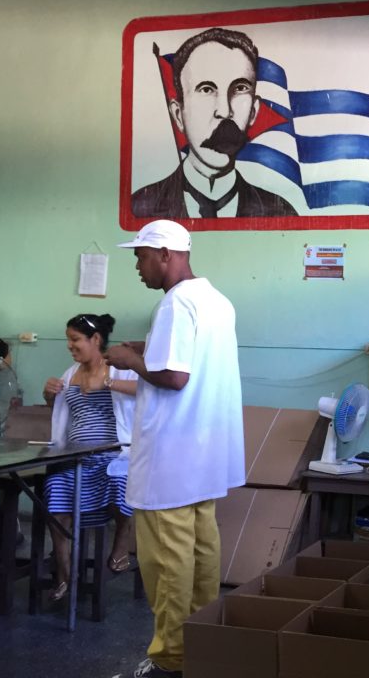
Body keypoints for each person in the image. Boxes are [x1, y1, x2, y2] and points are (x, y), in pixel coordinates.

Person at [106, 219, 244, 678]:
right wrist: (149, 348)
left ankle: (171, 658)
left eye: (141, 257)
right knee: (203, 555)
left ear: (166, 254)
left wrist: (129, 361)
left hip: (171, 461)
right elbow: (191, 359)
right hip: (204, 457)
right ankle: (205, 646)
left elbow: (174, 377)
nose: (138, 268)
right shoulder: (216, 301)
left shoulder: (174, 302)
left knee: (166, 563)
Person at [131, 27, 298, 219]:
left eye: (240, 88)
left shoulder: (280, 213)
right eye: (206, 90)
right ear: (178, 115)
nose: (225, 112)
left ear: (253, 111)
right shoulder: (140, 208)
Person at [41, 314, 138, 602]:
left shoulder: (121, 369)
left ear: (95, 339)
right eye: (68, 340)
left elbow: (146, 391)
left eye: (75, 340)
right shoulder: (70, 373)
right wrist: (49, 396)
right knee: (55, 495)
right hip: (75, 457)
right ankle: (65, 575)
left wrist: (106, 384)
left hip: (113, 455)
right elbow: (59, 412)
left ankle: (121, 546)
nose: (70, 346)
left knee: (123, 485)